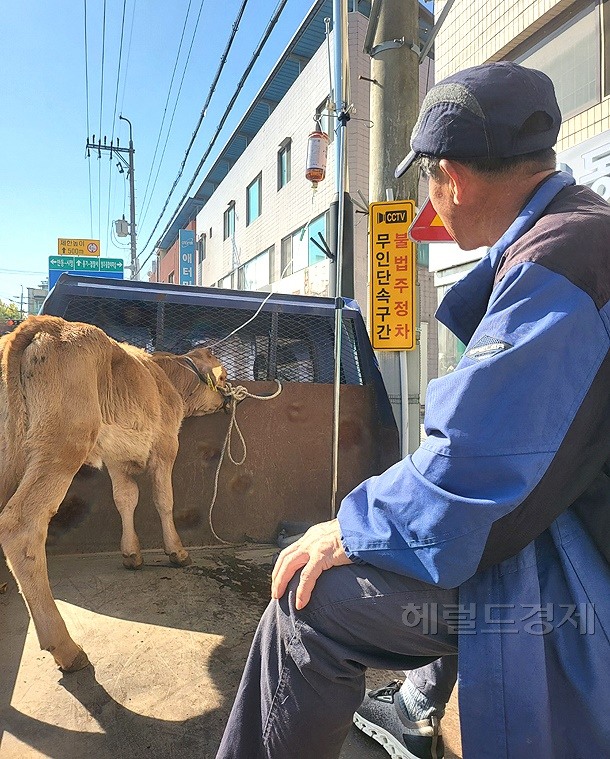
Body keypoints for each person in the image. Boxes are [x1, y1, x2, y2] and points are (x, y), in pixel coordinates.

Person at [216, 62, 610, 759]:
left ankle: (411, 705)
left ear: (450, 180)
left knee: (305, 606)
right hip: (571, 518)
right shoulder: (582, 231)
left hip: (583, 581)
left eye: (428, 180)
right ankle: (417, 707)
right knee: (432, 540)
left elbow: (470, 466)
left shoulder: (559, 265)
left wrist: (346, 527)